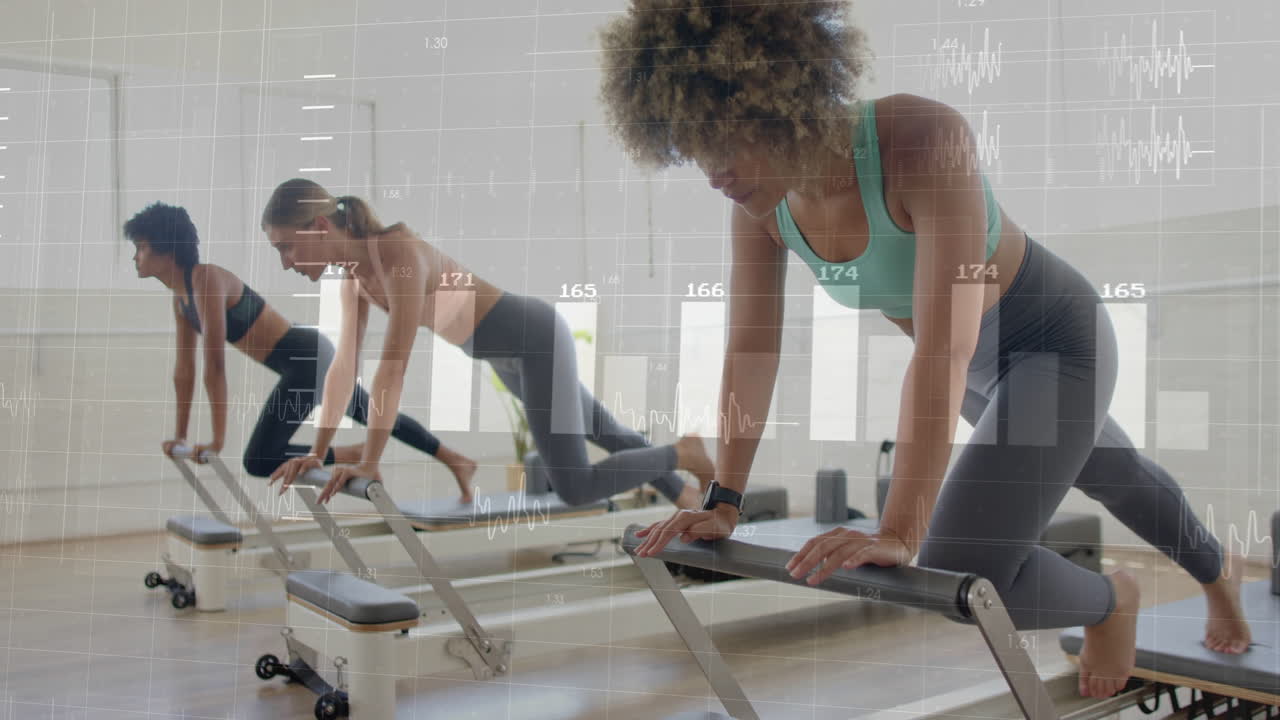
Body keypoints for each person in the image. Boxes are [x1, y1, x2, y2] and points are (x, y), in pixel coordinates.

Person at [599, 0, 1252, 699]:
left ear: (781, 97)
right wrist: (724, 500)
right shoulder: (761, 208)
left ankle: (1160, 589)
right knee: (1108, 472)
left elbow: (943, 347)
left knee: (972, 555)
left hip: (1056, 344)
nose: (712, 172)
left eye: (723, 141)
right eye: (692, 146)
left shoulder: (920, 140)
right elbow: (752, 348)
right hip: (978, 370)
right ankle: (1162, 584)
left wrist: (900, 528)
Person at [260, 179, 716, 510]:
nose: (285, 262)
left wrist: (369, 461)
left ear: (320, 226)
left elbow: (392, 368)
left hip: (534, 341)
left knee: (575, 486)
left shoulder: (398, 255)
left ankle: (684, 453)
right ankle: (686, 495)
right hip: (507, 358)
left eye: (286, 247)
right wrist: (318, 450)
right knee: (606, 432)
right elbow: (343, 369)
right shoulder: (354, 282)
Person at [125, 202, 478, 501]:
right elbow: (184, 372)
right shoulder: (181, 300)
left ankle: (355, 453)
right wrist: (181, 435)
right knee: (375, 413)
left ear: (167, 249)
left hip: (306, 360)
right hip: (304, 361)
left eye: (141, 247)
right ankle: (455, 460)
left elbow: (214, 365)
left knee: (259, 459)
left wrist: (217, 440)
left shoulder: (205, 280)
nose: (135, 257)